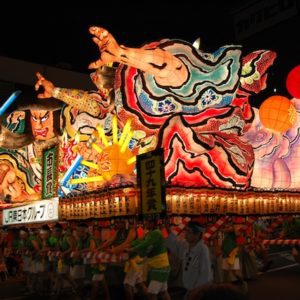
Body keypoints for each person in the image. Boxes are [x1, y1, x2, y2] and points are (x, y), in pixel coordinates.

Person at [164, 221, 213, 299]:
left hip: (199, 291)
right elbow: (176, 245)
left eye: (189, 232)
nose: (186, 234)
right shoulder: (186, 245)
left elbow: (205, 275)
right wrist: (168, 229)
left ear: (197, 235)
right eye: (186, 231)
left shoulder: (203, 249)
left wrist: (196, 291)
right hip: (189, 290)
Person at [126, 218, 171, 300]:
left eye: (149, 221)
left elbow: (145, 243)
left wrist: (132, 249)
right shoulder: (149, 234)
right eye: (146, 221)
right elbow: (141, 241)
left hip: (160, 267)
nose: (146, 223)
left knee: (151, 294)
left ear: (153, 223)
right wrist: (128, 244)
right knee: (163, 292)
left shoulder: (156, 233)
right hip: (158, 267)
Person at [221, 222, 247, 293]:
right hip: (226, 254)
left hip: (232, 254)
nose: (227, 227)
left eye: (229, 225)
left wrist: (220, 227)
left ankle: (243, 283)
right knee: (226, 273)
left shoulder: (233, 232)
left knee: (236, 272)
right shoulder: (227, 235)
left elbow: (229, 230)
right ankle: (227, 290)